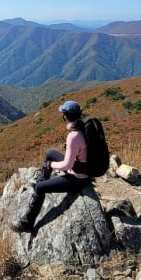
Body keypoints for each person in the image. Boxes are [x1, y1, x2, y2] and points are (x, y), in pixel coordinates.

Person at [11, 100, 92, 233]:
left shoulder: (73, 136)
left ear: (65, 116)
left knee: (39, 188)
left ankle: (27, 223)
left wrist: (51, 165)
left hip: (78, 179)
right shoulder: (83, 128)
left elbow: (67, 165)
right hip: (83, 170)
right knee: (50, 153)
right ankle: (42, 179)